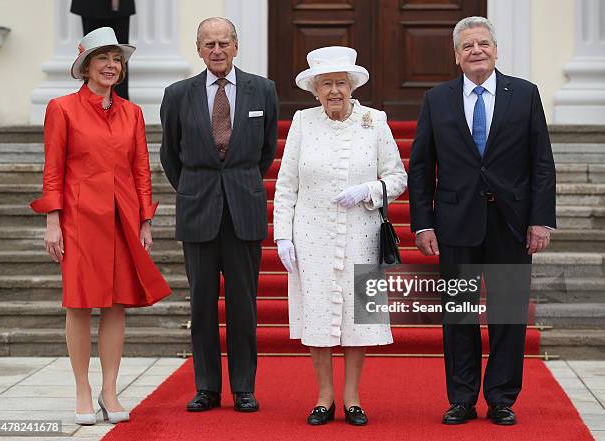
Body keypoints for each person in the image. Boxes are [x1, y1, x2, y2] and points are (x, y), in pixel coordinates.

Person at [408, 16, 556, 426]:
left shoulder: (524, 94)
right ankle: (462, 397)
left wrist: (540, 219)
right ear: (457, 56)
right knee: (458, 313)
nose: (477, 50)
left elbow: (541, 162)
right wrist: (423, 224)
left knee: (508, 313)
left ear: (495, 49)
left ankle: (502, 398)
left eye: (483, 43)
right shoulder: (437, 99)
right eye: (468, 45)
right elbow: (421, 167)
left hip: (512, 221)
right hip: (455, 221)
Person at [30, 27, 170, 425]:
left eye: (117, 60)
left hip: (122, 217)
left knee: (116, 305)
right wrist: (52, 222)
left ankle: (110, 389)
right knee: (79, 303)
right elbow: (53, 169)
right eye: (103, 59)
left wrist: (145, 219)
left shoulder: (133, 113)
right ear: (85, 66)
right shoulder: (61, 108)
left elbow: (141, 170)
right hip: (78, 218)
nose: (111, 66)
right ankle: (82, 388)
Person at [273, 46, 407, 426]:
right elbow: (287, 185)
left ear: (352, 86)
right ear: (315, 90)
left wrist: (367, 191)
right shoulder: (303, 121)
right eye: (326, 84)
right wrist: (283, 235)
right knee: (317, 312)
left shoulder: (374, 120)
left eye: (340, 83)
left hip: (361, 232)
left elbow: (397, 177)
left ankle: (352, 398)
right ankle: (323, 397)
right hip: (311, 233)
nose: (334, 91)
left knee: (357, 317)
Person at [159, 17, 278, 413]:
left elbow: (265, 152)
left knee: (244, 304)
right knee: (202, 304)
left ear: (236, 45)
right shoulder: (178, 94)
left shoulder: (263, 90)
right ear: (198, 49)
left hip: (243, 209)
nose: (217, 50)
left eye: (223, 42)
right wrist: (197, 188)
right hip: (198, 210)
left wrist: (236, 184)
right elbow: (170, 156)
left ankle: (244, 387)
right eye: (209, 44)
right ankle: (207, 387)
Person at [71, 0, 135, 99]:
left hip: (119, 8)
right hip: (90, 6)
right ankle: (90, 102)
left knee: (116, 54)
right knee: (93, 54)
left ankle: (118, 104)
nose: (111, 64)